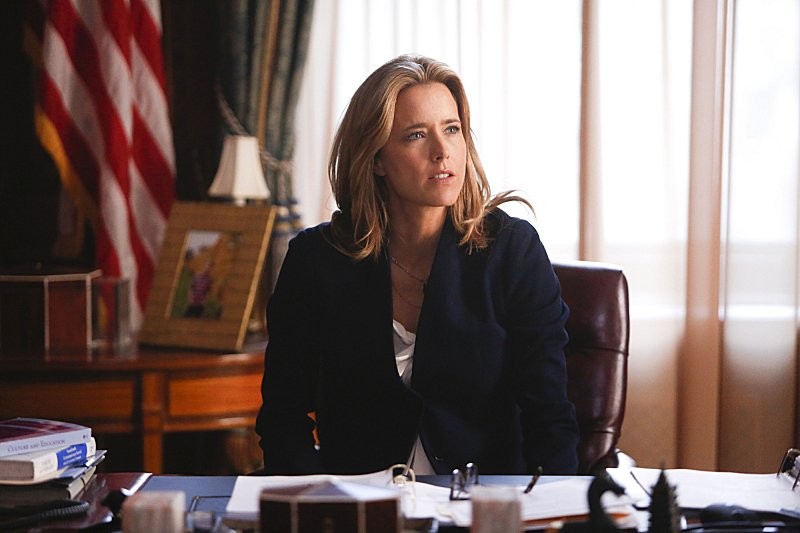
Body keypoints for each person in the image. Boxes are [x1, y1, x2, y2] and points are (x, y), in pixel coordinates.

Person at [256, 54, 579, 476]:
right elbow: (283, 417)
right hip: (358, 502)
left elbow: (549, 417)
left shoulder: (512, 251)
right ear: (376, 159)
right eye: (416, 135)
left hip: (481, 500)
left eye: (452, 129)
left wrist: (550, 506)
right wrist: (314, 500)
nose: (442, 152)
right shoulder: (317, 261)